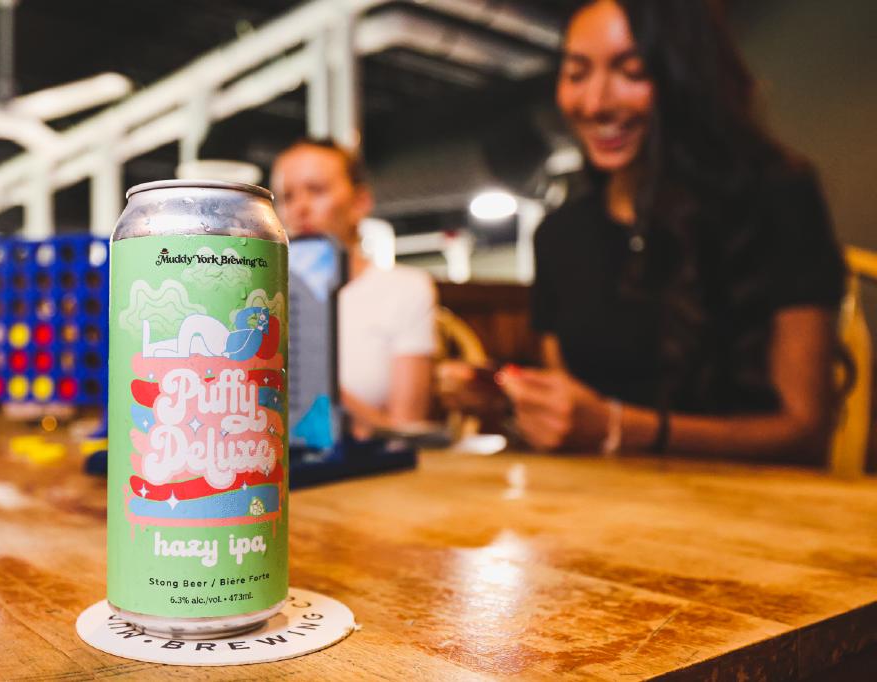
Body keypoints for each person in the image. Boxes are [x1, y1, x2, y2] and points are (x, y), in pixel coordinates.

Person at [470, 0, 846, 463]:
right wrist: (508, 399)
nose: (595, 103)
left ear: (686, 78)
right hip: (600, 509)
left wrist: (622, 428)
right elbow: (571, 410)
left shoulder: (776, 196)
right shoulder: (558, 234)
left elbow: (805, 430)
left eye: (633, 71)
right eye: (576, 73)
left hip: (749, 512)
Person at [271, 139, 437, 438]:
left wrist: (316, 382)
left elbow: (406, 430)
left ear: (360, 202)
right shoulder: (263, 295)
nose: (300, 208)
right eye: (287, 197)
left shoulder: (405, 289)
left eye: (317, 190)